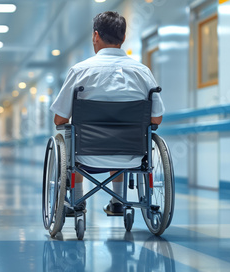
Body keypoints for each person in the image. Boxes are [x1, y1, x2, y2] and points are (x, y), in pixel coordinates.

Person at [50, 11, 165, 216]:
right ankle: (118, 201)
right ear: (123, 38)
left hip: (86, 156)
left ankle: (77, 200)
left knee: (69, 132)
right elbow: (156, 119)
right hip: (133, 156)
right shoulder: (143, 72)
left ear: (96, 36)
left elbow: (59, 119)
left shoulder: (80, 71)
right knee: (119, 135)